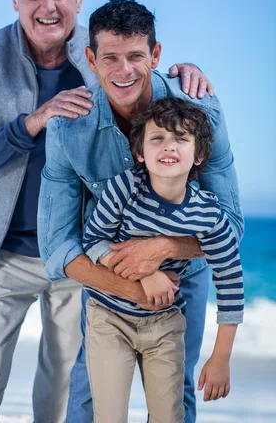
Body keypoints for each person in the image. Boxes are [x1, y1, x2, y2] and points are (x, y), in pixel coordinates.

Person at [0, 0, 206, 423]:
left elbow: (139, 75)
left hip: (78, 248)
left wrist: (185, 75)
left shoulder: (97, 52)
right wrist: (34, 121)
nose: (48, 6)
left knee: (63, 375)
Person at [38, 0, 244, 423]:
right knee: (89, 392)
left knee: (174, 394)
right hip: (109, 274)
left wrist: (160, 247)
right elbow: (57, 246)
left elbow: (231, 228)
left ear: (156, 56)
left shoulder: (203, 112)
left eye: (136, 56)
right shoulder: (67, 128)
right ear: (91, 59)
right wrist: (133, 285)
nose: (124, 70)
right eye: (109, 57)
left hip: (184, 276)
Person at [82, 97, 244, 422]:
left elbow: (230, 280)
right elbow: (92, 240)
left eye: (181, 139)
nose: (168, 147)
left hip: (165, 323)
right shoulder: (124, 188)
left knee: (169, 417)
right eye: (157, 138)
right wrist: (144, 274)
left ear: (198, 155)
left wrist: (221, 357)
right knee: (109, 416)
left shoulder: (209, 215)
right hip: (109, 317)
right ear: (140, 152)